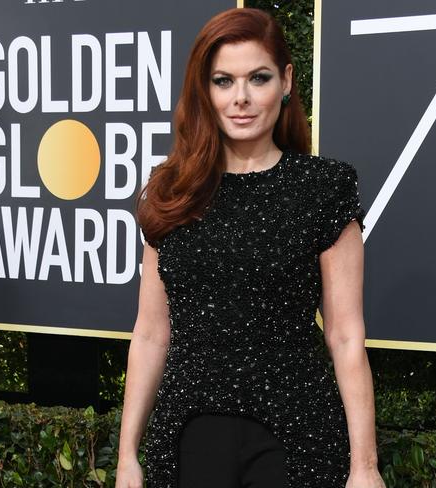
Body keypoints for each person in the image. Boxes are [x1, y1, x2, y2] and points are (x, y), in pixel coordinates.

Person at [116, 7, 385, 488]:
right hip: (184, 441)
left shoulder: (323, 187)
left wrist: (364, 467)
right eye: (223, 81)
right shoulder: (172, 191)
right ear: (205, 90)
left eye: (257, 78)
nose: (240, 98)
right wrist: (126, 456)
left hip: (297, 440)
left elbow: (345, 335)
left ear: (284, 82)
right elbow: (151, 334)